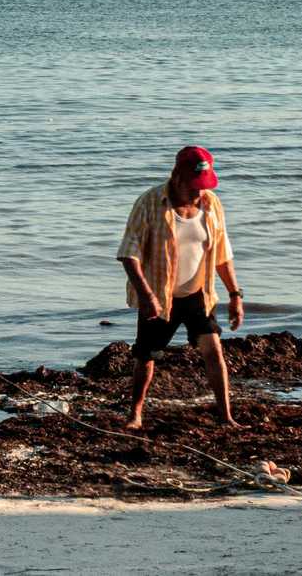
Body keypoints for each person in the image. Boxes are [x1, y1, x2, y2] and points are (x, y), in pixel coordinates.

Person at [115, 146, 244, 428]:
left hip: (199, 294)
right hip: (160, 296)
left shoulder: (212, 205)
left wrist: (235, 295)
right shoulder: (150, 203)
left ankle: (226, 416)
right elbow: (129, 253)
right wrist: (146, 295)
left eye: (204, 185)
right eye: (195, 186)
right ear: (177, 176)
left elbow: (222, 254)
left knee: (214, 350)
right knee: (146, 356)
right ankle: (135, 414)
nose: (200, 192)